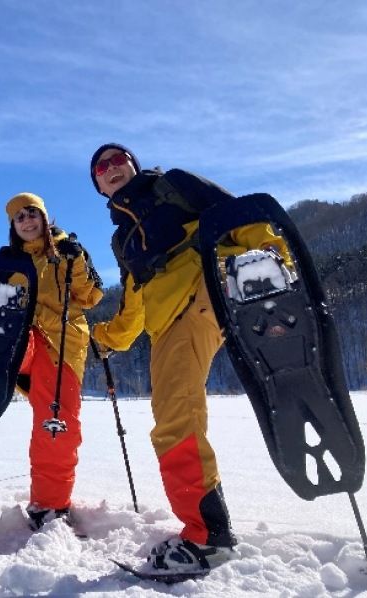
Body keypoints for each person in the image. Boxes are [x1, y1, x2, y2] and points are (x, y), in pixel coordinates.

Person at [88, 143, 291, 570]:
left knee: (176, 421)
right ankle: (207, 531)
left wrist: (273, 260)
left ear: (133, 165)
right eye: (101, 168)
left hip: (205, 286)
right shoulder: (122, 239)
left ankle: (208, 539)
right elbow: (134, 300)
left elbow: (238, 214)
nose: (111, 168)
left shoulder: (173, 185)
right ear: (99, 186)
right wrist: (107, 337)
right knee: (171, 419)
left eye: (118, 159)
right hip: (168, 324)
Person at [1, 192, 103, 530]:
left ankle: (50, 504)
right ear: (13, 226)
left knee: (55, 425)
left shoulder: (66, 251)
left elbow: (91, 296)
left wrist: (80, 261)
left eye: (32, 213)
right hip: (24, 343)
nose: (27, 221)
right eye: (20, 217)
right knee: (49, 419)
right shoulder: (10, 262)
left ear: (45, 217)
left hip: (62, 346)